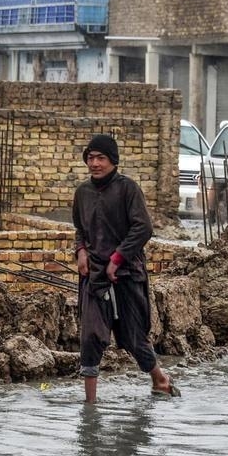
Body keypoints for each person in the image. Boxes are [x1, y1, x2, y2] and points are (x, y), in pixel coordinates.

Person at [72, 133, 180, 404]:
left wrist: (118, 258)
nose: (95, 163)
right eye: (91, 158)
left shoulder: (127, 189)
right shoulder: (83, 193)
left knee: (133, 334)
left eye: (101, 158)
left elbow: (143, 227)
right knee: (91, 336)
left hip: (127, 273)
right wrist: (81, 251)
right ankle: (90, 406)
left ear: (113, 161)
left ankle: (160, 379)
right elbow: (79, 229)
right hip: (94, 275)